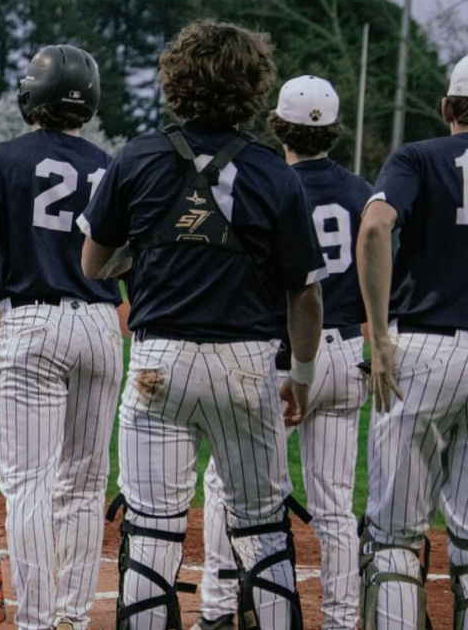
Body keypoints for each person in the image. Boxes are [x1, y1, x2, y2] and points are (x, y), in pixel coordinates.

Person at [79, 20, 326, 629]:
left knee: (154, 526)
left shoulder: (137, 156)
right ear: (253, 86)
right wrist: (299, 373)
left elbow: (93, 266)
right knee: (262, 523)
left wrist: (153, 250)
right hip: (246, 360)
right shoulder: (275, 173)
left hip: (159, 359)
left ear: (176, 82)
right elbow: (305, 294)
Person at [0, 44, 124, 630]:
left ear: (33, 96)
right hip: (102, 325)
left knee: (28, 486)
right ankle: (72, 616)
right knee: (85, 481)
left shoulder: (2, 159)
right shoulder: (108, 164)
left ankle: (39, 620)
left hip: (33, 324)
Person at [194, 75, 372, 630]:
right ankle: (343, 619)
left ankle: (221, 607)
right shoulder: (362, 191)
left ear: (277, 124)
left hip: (285, 357)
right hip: (347, 351)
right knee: (335, 503)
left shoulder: (267, 183)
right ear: (334, 130)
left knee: (228, 484)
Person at [356, 54, 468, 630]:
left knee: (396, 535)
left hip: (423, 351)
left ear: (448, 107)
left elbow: (375, 227)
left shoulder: (418, 157)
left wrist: (377, 337)